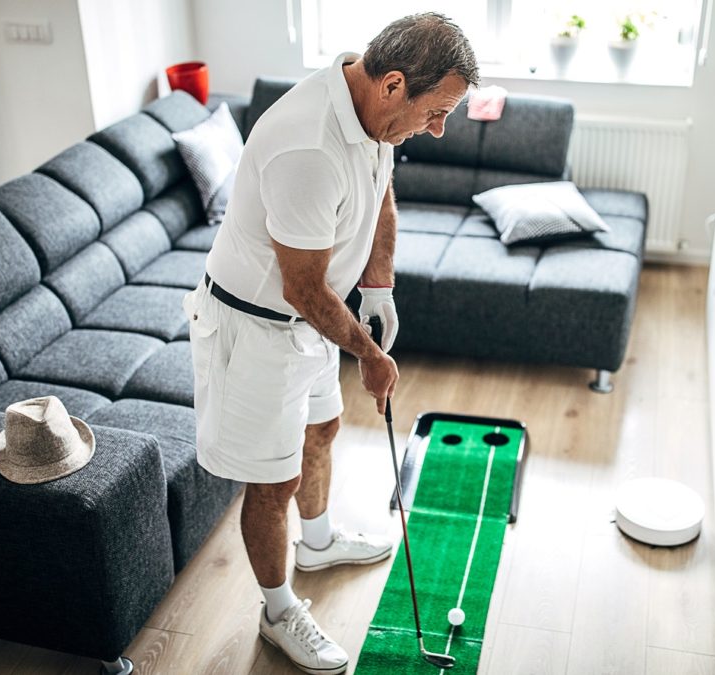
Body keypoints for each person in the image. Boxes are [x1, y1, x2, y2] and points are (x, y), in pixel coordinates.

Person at [182, 13, 479, 674]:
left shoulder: (371, 107)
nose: (439, 128)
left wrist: (379, 286)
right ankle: (277, 607)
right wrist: (371, 355)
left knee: (325, 427)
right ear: (395, 84)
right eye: (436, 112)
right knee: (273, 478)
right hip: (255, 328)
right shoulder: (308, 146)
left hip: (307, 323)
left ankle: (315, 544)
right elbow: (304, 289)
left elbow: (381, 194)